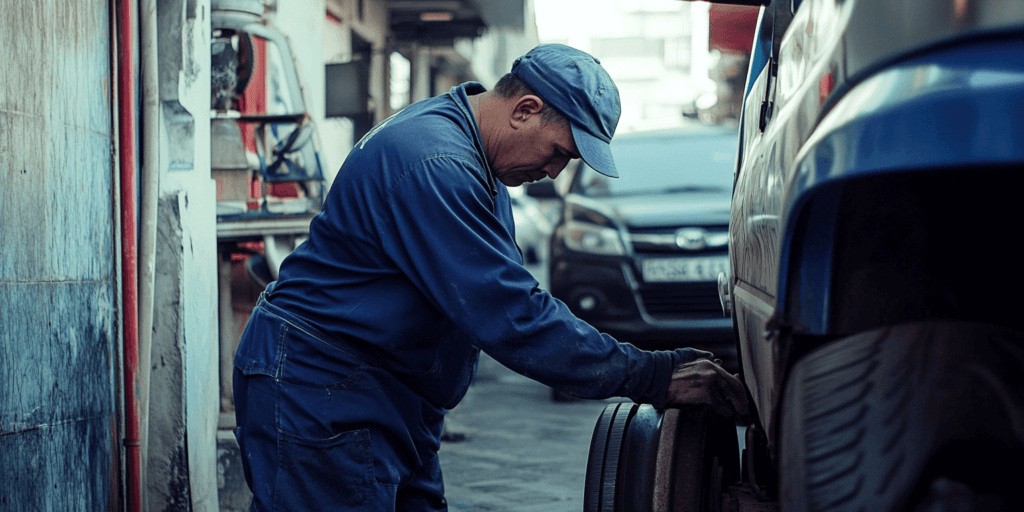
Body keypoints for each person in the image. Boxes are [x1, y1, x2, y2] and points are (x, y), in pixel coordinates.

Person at [232, 44, 749, 511]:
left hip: (386, 392)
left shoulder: (475, 155)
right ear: (525, 110)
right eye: (559, 153)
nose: (553, 173)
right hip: (322, 387)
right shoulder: (437, 163)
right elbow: (512, 315)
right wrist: (654, 375)